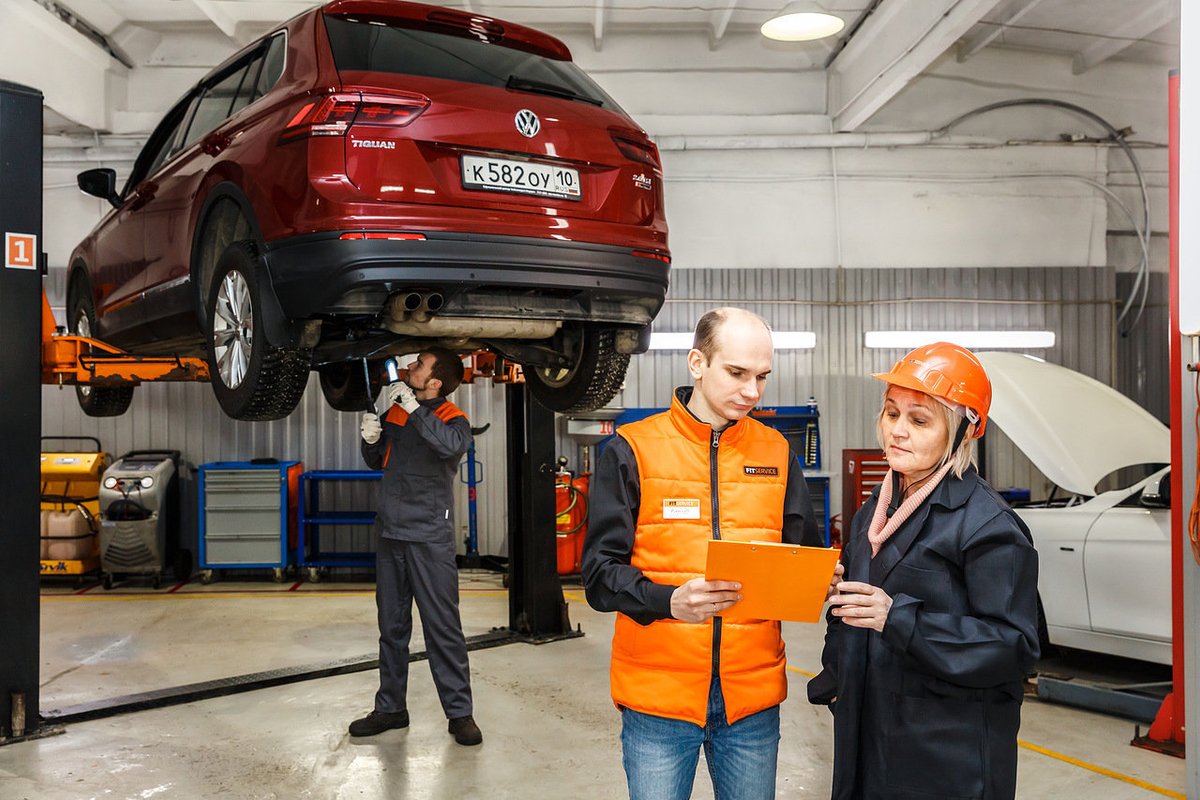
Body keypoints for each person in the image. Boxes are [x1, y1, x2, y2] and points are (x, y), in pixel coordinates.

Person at [582, 307, 822, 800]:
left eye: (762, 377)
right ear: (697, 362)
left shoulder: (777, 453)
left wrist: (822, 579)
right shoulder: (631, 450)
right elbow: (599, 576)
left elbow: (806, 557)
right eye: (737, 373)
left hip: (751, 702)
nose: (752, 392)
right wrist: (668, 600)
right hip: (658, 700)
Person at [807, 342, 1040, 799]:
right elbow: (852, 610)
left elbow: (1014, 646)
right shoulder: (874, 511)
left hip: (946, 753)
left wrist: (898, 617)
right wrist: (837, 680)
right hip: (868, 736)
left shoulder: (989, 526)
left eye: (919, 420)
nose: (897, 431)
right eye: (891, 413)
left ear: (964, 432)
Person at [349, 347, 483, 747]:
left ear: (435, 382)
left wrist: (414, 410)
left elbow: (449, 447)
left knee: (443, 630)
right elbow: (380, 461)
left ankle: (460, 715)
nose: (410, 368)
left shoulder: (452, 418)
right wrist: (370, 438)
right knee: (391, 629)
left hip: (429, 537)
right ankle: (391, 708)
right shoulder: (396, 411)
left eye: (419, 365)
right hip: (390, 534)